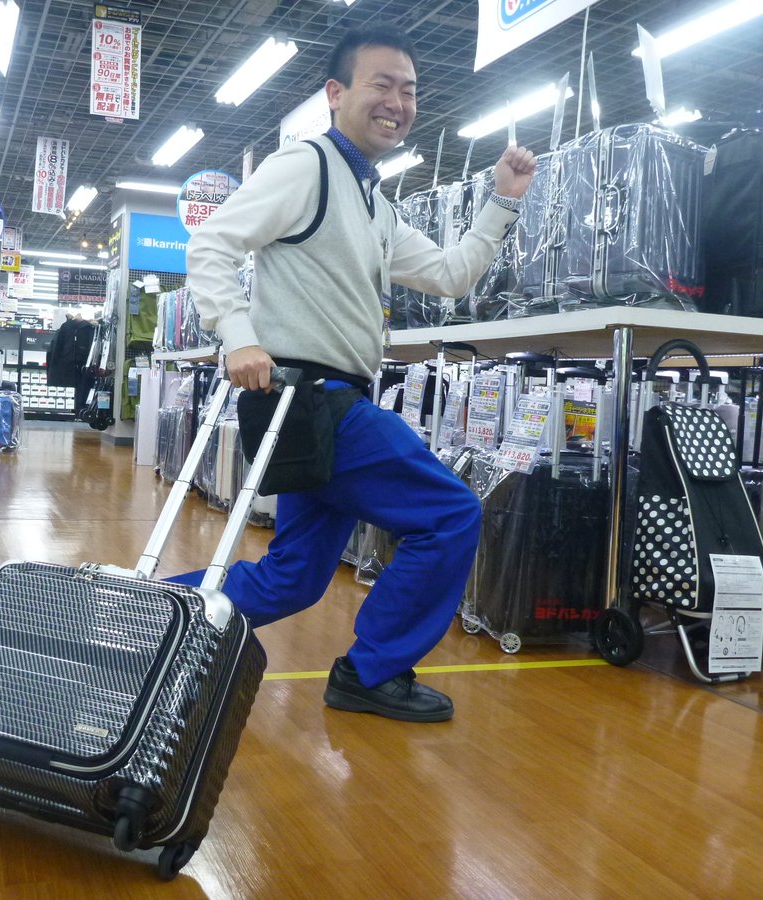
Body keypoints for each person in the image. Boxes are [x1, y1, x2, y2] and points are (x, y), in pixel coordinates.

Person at [181, 26, 537, 722]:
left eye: (408, 90)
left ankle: (137, 623)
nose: (398, 101)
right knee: (451, 511)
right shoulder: (306, 166)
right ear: (335, 93)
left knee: (291, 578)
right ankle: (371, 673)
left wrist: (504, 199)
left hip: (319, 409)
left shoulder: (373, 199)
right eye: (382, 84)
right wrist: (238, 335)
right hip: (312, 401)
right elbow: (213, 242)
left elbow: (450, 275)